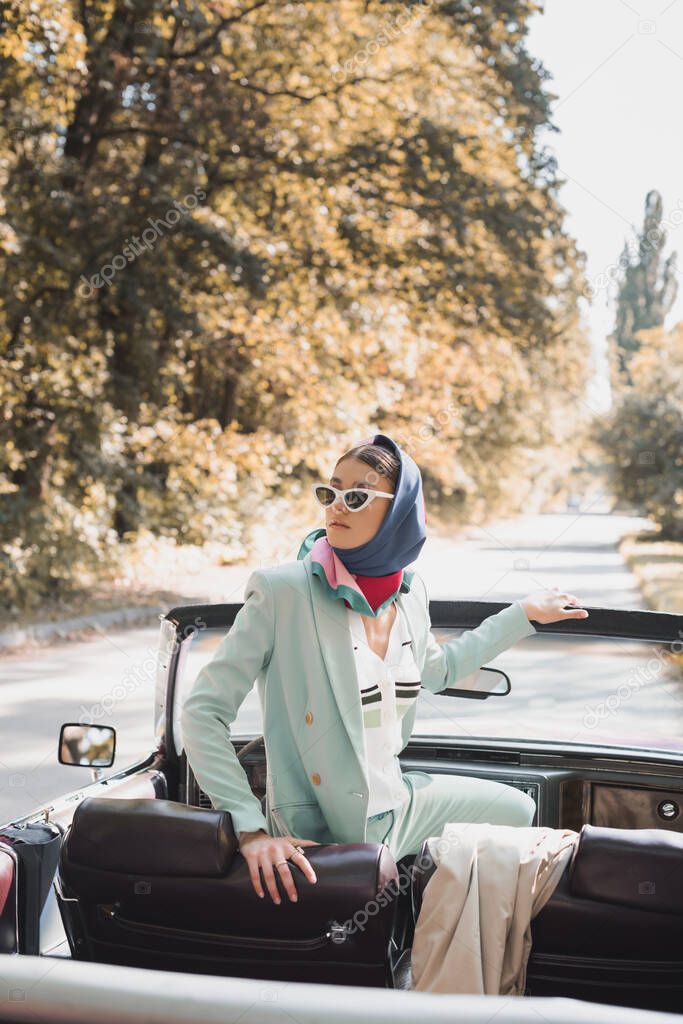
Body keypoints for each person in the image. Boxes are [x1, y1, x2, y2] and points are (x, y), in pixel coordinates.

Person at [180, 432, 589, 906]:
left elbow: (438, 670)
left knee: (522, 811)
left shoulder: (411, 595)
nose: (336, 507)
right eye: (329, 493)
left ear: (400, 512)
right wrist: (250, 829)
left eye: (356, 496)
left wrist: (521, 615)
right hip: (316, 824)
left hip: (398, 804)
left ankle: (471, 957)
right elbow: (202, 713)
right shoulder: (282, 593)